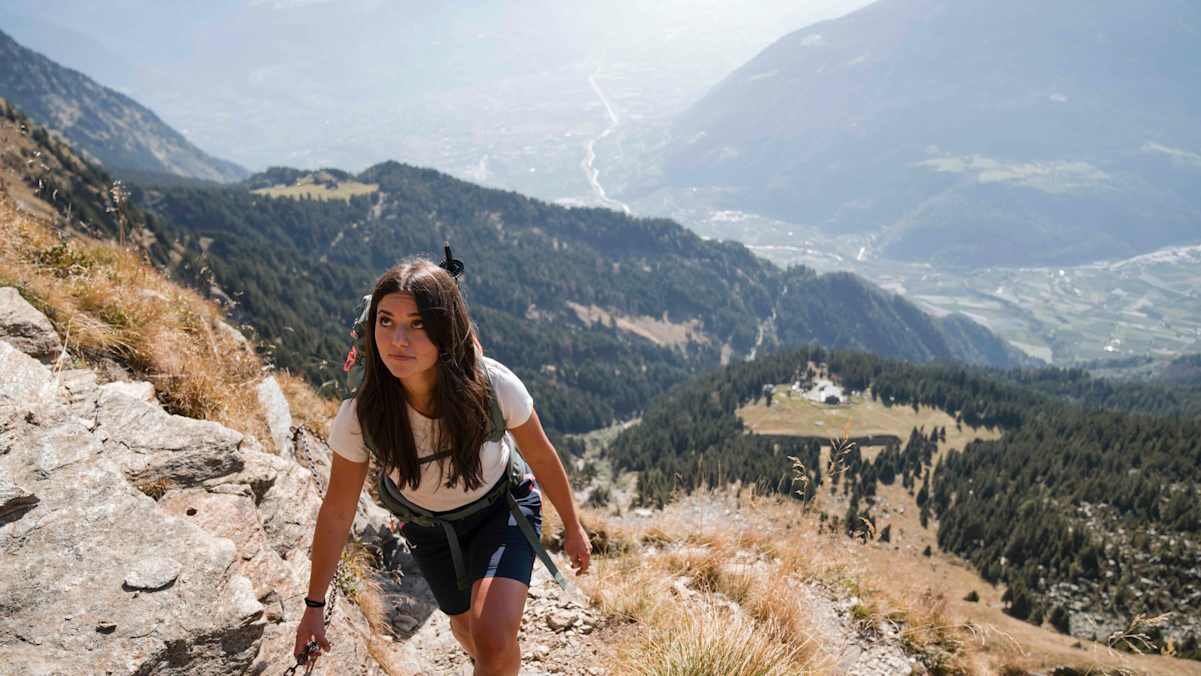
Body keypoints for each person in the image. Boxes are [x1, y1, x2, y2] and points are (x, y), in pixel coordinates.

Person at [293, 258, 592, 675]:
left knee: (492, 634)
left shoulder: (492, 385)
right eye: (386, 320)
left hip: (500, 510)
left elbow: (540, 455)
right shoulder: (361, 416)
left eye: (417, 324)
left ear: (445, 330)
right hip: (428, 529)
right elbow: (338, 510)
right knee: (466, 628)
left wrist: (573, 527)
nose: (398, 339)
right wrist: (313, 606)